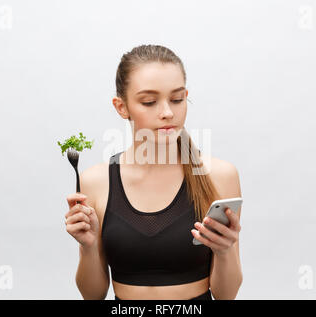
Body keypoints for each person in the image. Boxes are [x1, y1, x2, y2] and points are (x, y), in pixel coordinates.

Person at [64, 44, 243, 300]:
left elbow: (226, 295)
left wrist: (226, 251)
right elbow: (93, 295)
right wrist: (89, 247)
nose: (168, 113)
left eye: (177, 99)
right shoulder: (95, 181)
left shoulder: (219, 176)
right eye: (149, 102)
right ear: (121, 107)